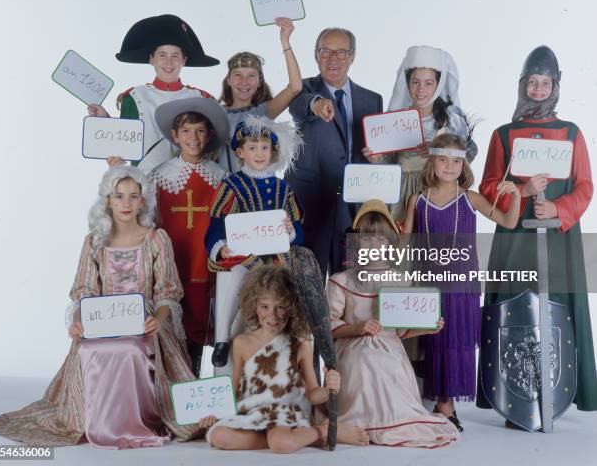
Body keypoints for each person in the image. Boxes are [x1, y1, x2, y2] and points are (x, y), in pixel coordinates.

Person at [0, 167, 200, 448]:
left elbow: (168, 291)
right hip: (102, 321)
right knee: (89, 349)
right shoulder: (95, 242)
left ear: (143, 201)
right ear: (107, 201)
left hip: (143, 321)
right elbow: (84, 291)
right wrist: (78, 321)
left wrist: (158, 319)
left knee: (134, 350)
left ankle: (136, 420)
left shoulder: (156, 239)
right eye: (118, 196)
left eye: (133, 196)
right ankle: (95, 419)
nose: (126, 203)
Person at [477, 45, 597, 414]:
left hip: (559, 239)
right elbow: (488, 185)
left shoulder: (570, 132)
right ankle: (511, 391)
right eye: (533, 82)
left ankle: (561, 390)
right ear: (522, 85)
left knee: (559, 302)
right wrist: (523, 192)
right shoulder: (503, 134)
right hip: (515, 237)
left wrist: (557, 208)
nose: (539, 89)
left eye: (546, 83)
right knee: (514, 300)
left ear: (556, 86)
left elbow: (585, 185)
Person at [403, 134, 520, 431]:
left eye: (457, 161)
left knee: (457, 343)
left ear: (464, 164)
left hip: (462, 284)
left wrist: (516, 196)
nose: (450, 166)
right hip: (430, 282)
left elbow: (508, 221)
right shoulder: (417, 200)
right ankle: (438, 403)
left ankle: (447, 406)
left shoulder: (471, 199)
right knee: (434, 341)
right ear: (432, 162)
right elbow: (405, 241)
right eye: (443, 159)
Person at [327, 199, 460, 448]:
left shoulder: (400, 280)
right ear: (356, 243)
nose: (373, 245)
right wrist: (358, 328)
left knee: (389, 363)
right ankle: (361, 419)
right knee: (365, 360)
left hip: (390, 348)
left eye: (380, 240)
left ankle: (396, 419)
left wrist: (428, 326)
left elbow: (399, 330)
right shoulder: (341, 280)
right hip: (353, 346)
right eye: (366, 239)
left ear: (389, 243)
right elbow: (328, 325)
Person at [198, 265, 369, 452]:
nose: (272, 315)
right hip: (251, 413)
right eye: (265, 307)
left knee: (281, 444)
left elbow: (312, 394)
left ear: (292, 308)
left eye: (281, 307)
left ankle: (322, 431)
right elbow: (234, 390)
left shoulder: (300, 343)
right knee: (217, 436)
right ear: (254, 305)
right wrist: (214, 413)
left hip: (283, 414)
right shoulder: (241, 343)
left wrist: (328, 390)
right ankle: (297, 438)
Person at [204, 115, 304, 367]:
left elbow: (298, 232)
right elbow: (216, 228)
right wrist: (220, 248)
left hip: (275, 260)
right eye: (252, 147)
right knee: (233, 272)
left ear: (272, 151)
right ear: (240, 151)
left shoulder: (283, 189)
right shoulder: (232, 185)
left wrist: (290, 230)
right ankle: (222, 339)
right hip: (242, 256)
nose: (259, 153)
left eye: (264, 147)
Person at [286, 27, 383, 278]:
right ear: (316, 55)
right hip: (310, 199)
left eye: (341, 53)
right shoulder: (301, 89)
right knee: (304, 279)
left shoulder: (372, 100)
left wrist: (377, 160)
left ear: (352, 57)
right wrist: (315, 104)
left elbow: (377, 149)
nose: (332, 59)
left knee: (351, 279)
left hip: (353, 204)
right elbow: (299, 105)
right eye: (325, 51)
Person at [150, 97, 230, 375]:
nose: (192, 138)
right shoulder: (159, 176)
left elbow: (228, 222)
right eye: (185, 131)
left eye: (199, 131)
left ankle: (193, 395)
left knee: (198, 330)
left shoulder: (220, 176)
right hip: (171, 267)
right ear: (175, 136)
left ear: (208, 135)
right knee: (169, 331)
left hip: (203, 268)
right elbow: (148, 221)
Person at [88, 14, 218, 174]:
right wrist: (105, 122)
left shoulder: (201, 99)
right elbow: (124, 145)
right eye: (162, 55)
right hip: (145, 185)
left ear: (184, 60)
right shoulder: (135, 98)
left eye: (175, 56)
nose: (169, 63)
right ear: (151, 59)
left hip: (191, 186)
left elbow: (214, 148)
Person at [364, 45, 477, 222]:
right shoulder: (395, 120)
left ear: (438, 86)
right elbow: (390, 162)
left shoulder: (450, 121)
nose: (420, 89)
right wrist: (376, 159)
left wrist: (438, 149)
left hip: (436, 193)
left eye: (428, 83)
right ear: (407, 83)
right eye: (415, 82)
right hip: (401, 195)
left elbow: (467, 155)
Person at [218, 17, 302, 173]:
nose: (244, 82)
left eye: (251, 76)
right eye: (238, 75)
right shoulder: (216, 113)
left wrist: (285, 41)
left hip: (258, 191)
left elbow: (296, 87)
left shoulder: (263, 111)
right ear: (228, 80)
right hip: (224, 189)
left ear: (259, 82)